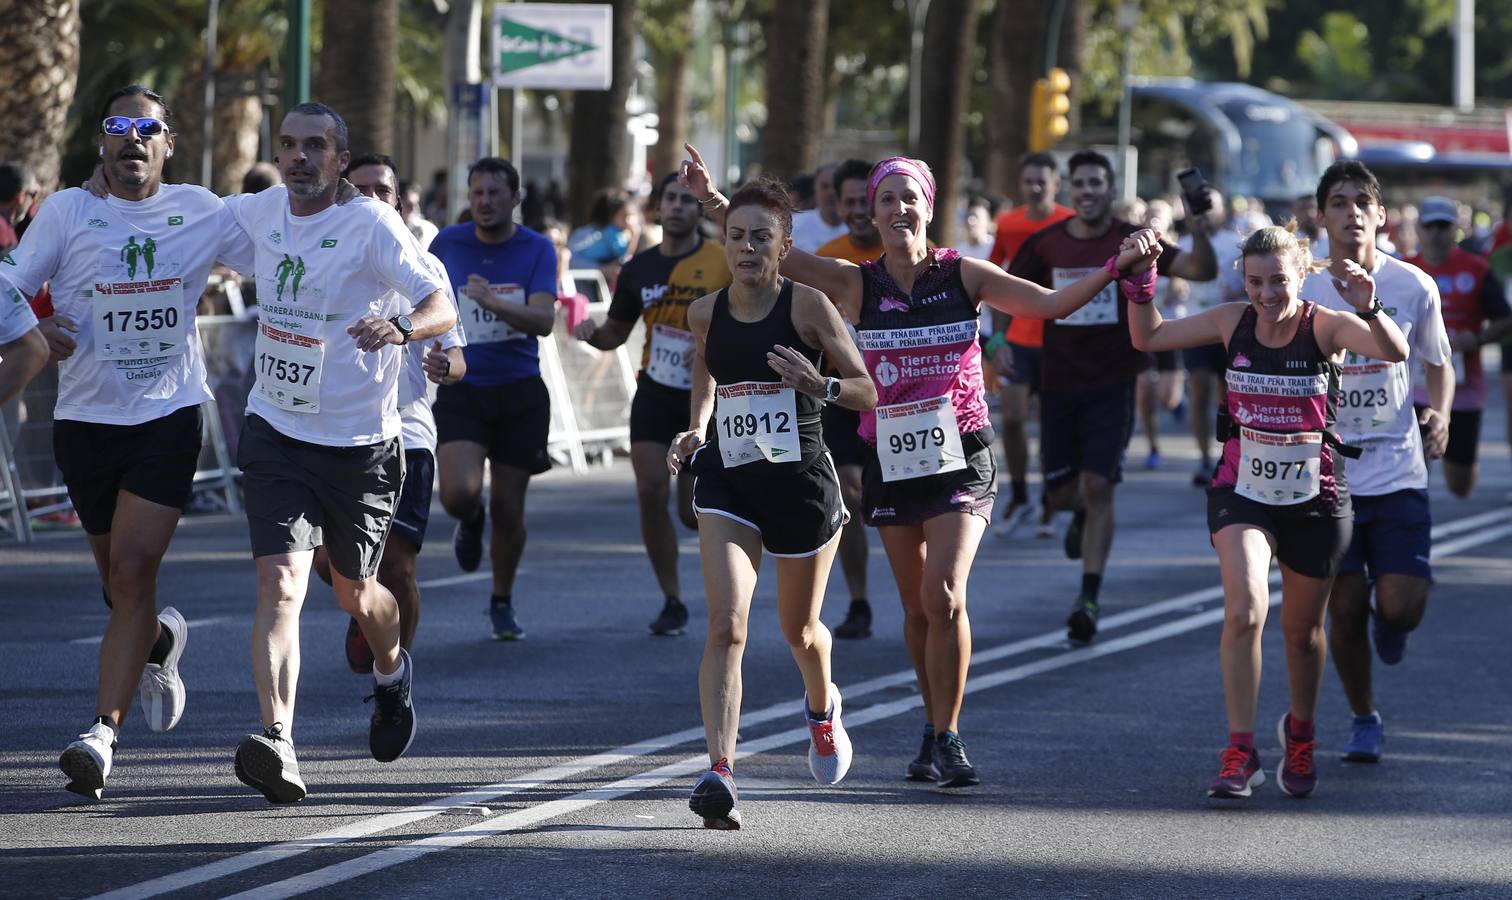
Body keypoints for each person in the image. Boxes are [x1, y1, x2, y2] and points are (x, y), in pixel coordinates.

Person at [681, 144, 1161, 790]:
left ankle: (950, 733)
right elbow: (770, 249)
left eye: (911, 198)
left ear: (929, 208)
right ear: (872, 216)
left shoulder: (965, 275)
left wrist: (1115, 269)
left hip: (960, 451)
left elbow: (1048, 307)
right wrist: (714, 199)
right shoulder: (856, 283)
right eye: (887, 199)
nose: (899, 209)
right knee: (914, 608)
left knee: (944, 594)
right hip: (893, 457)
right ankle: (928, 729)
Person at [1, 85, 257, 799]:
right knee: (119, 582)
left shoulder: (201, 210)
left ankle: (101, 735)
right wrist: (28, 330)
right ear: (102, 143)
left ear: (168, 144)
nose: (133, 140)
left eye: (148, 129)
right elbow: (10, 281)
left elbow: (280, 246)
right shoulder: (68, 211)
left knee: (131, 574)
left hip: (169, 413)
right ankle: (159, 643)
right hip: (86, 422)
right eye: (119, 127)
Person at [226, 103, 456, 804]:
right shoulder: (260, 212)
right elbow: (173, 233)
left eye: (315, 146)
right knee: (284, 586)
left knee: (358, 592)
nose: (300, 158)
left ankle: (392, 670)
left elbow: (441, 302)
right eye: (289, 145)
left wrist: (400, 327)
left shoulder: (371, 225)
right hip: (274, 429)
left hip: (358, 442)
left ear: (339, 156)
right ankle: (278, 740)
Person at [1128, 224, 1408, 799]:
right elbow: (1148, 338)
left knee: (1302, 633)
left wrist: (1369, 305)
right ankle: (1241, 749)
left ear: (1301, 275)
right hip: (1242, 489)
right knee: (1245, 610)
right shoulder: (1232, 320)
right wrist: (1140, 282)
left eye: (1278, 281)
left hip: (1316, 498)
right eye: (1255, 282)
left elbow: (1392, 350)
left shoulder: (1325, 325)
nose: (1266, 294)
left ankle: (1300, 734)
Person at [665, 176, 877, 829]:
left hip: (802, 485)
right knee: (727, 625)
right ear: (724, 241)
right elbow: (707, 361)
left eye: (762, 237)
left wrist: (820, 382)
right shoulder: (705, 310)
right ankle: (720, 772)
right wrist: (698, 423)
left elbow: (867, 391)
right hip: (731, 476)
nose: (748, 248)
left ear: (784, 246)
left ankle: (821, 710)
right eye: (737, 237)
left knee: (801, 632)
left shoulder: (810, 307)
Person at [1009, 150, 1216, 643]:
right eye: (1079, 183)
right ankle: (1075, 509)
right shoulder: (1046, 244)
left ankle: (1088, 596)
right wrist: (999, 344)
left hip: (1114, 381)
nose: (1087, 191)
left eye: (1096, 183)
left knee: (1101, 486)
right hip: (1059, 382)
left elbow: (1201, 271)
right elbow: (1010, 294)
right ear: (1068, 190)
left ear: (1108, 188)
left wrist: (1200, 223)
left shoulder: (1135, 240)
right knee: (1061, 496)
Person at [1303, 162, 1453, 766]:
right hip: (1326, 475)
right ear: (1321, 216)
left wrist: (1438, 413)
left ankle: (1390, 623)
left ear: (1382, 214)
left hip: (1396, 472)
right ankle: (1364, 717)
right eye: (1338, 202)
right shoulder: (1302, 283)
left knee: (1398, 607)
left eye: (1362, 201)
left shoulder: (1413, 285)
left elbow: (1437, 361)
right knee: (1342, 607)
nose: (1352, 212)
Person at [312, 153, 468, 672]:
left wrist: (448, 365)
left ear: (399, 201)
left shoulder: (427, 266)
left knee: (399, 568)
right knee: (318, 564)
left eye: (384, 190)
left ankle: (394, 674)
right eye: (362, 191)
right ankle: (367, 605)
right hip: (336, 430)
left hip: (408, 432)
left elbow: (458, 356)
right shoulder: (324, 256)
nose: (374, 200)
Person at [573, 173, 731, 635]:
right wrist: (590, 333)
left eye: (687, 199)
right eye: (671, 200)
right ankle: (672, 599)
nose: (679, 207)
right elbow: (615, 332)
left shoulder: (720, 261)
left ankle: (726, 579)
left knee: (690, 510)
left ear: (699, 208)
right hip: (655, 391)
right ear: (658, 210)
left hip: (706, 395)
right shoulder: (640, 268)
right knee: (649, 492)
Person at [428, 158, 557, 641]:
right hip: (464, 387)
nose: (484, 202)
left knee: (510, 508)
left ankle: (501, 599)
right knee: (458, 493)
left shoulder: (537, 249)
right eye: (477, 193)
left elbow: (544, 321)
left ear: (515, 198)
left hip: (519, 390)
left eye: (494, 193)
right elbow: (423, 301)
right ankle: (470, 518)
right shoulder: (447, 243)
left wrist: (495, 301)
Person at [987, 154, 1074, 537]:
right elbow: (992, 277)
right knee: (1013, 419)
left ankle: (1053, 502)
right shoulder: (1008, 223)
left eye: (1043, 181)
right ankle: (1020, 495)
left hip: (1061, 340)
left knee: (1055, 426)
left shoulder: (1070, 223)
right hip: (1019, 338)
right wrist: (996, 338)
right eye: (1029, 181)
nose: (1036, 187)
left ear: (1056, 183)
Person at [812, 158, 877, 639]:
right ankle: (859, 602)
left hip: (907, 401)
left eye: (864, 201)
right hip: (845, 395)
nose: (857, 211)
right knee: (849, 495)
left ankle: (925, 598)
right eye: (848, 201)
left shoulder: (920, 254)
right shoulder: (829, 256)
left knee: (908, 505)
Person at [1406, 196, 1511, 498]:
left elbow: (1505, 320)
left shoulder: (1476, 270)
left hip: (1464, 392)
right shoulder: (1405, 270)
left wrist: (1476, 340)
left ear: (1456, 229)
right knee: (1411, 477)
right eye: (1430, 226)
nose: (1436, 233)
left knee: (1460, 485)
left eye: (1443, 226)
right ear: (1419, 229)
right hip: (1413, 390)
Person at [1172, 186, 1245, 486]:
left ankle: (1231, 456)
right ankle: (1204, 458)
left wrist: (1240, 290)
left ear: (1222, 210)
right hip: (1197, 326)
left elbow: (1254, 281)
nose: (1205, 214)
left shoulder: (1235, 242)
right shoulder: (1185, 242)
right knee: (1199, 390)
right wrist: (1176, 286)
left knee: (1229, 398)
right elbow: (1173, 276)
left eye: (1210, 207)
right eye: (1200, 208)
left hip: (1231, 330)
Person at [790, 163, 847, 253]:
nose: (831, 192)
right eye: (825, 186)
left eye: (836, 186)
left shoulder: (857, 229)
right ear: (815, 190)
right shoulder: (795, 225)